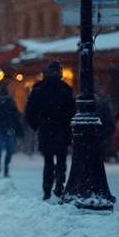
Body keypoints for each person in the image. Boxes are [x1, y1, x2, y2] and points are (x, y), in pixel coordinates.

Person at [25, 61, 76, 200]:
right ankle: (59, 186)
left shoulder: (38, 88)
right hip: (62, 130)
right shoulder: (65, 89)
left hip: (46, 129)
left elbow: (29, 112)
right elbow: (72, 111)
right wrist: (67, 124)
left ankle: (47, 189)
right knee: (61, 160)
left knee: (48, 162)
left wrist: (38, 126)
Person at [0, 85, 22, 177]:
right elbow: (16, 116)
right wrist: (19, 129)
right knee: (9, 149)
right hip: (9, 128)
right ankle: (6, 167)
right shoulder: (11, 103)